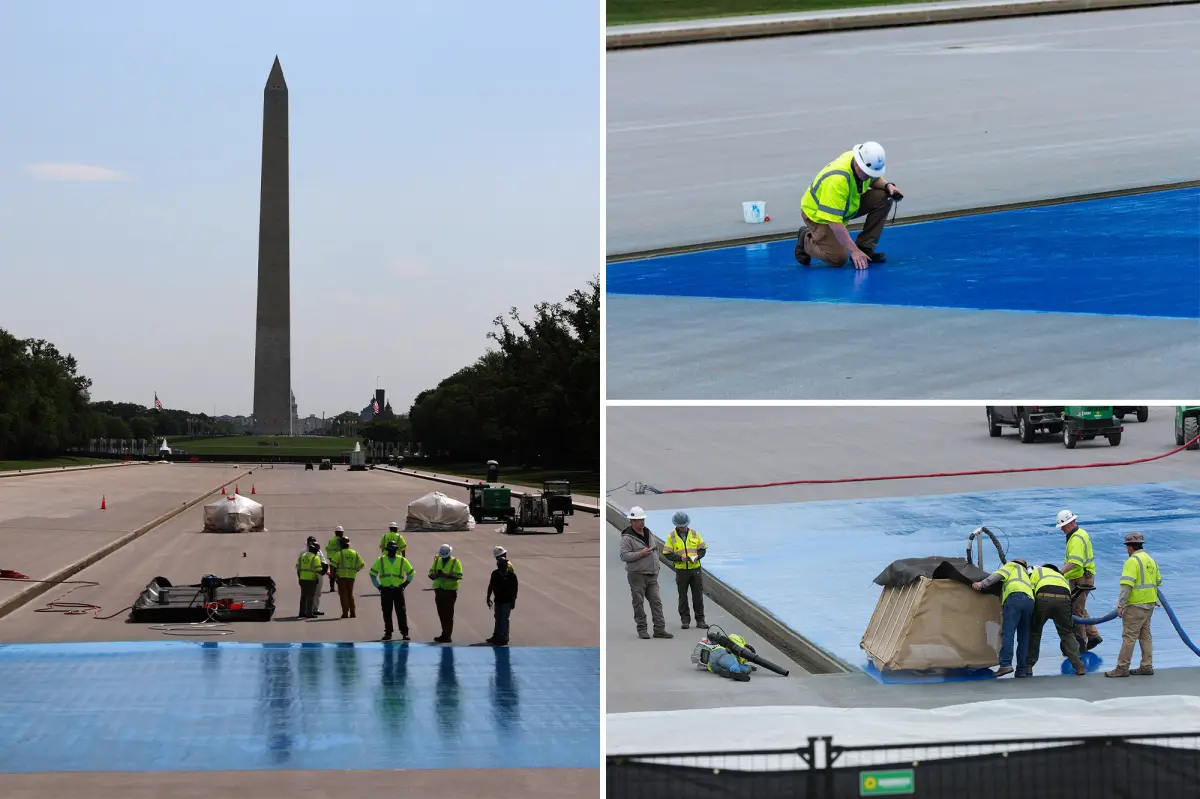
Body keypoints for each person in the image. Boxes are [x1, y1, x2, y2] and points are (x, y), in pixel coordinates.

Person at [794, 142, 904, 270]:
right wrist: (853, 250)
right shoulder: (837, 180)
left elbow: (874, 179)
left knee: (884, 197)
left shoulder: (860, 160)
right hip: (818, 216)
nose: (870, 176)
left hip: (845, 206)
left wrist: (888, 186)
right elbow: (834, 222)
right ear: (858, 165)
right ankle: (806, 238)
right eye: (868, 173)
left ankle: (865, 248)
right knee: (838, 259)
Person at [1106, 532, 1162, 678]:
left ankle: (1122, 668)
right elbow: (1158, 582)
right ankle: (1147, 665)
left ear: (1129, 547)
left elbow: (1127, 585)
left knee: (1129, 636)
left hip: (1135, 606)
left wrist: (1121, 605)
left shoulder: (1132, 561)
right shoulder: (1150, 560)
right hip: (1149, 605)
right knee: (1145, 635)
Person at [973, 557, 1035, 677]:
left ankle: (1005, 665)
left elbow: (996, 576)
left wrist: (981, 584)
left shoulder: (1011, 566)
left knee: (1008, 633)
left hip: (1014, 599)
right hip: (1029, 602)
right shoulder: (1027, 574)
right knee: (1024, 637)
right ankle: (1022, 670)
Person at [619, 506, 672, 640]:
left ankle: (659, 629)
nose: (642, 522)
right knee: (638, 602)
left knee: (656, 602)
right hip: (637, 575)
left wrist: (657, 567)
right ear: (632, 521)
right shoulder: (627, 538)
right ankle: (642, 629)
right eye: (638, 519)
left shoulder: (649, 533)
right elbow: (624, 556)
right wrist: (640, 554)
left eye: (642, 519)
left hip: (652, 574)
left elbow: (656, 551)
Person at [1025, 563, 1085, 677]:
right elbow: (1069, 597)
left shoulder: (1037, 572)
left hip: (1043, 596)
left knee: (1035, 631)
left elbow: (1031, 592)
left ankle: (1028, 666)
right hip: (1064, 598)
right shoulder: (1060, 576)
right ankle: (1079, 666)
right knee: (1067, 633)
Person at [1057, 509, 1102, 651]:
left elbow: (1074, 562)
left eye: (1063, 527)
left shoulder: (1076, 538)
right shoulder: (1080, 533)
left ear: (1069, 524)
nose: (1062, 530)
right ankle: (1093, 636)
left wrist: (1059, 573)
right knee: (1079, 608)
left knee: (1076, 612)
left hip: (1081, 578)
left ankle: (1080, 644)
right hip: (1081, 577)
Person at [662, 511, 708, 630]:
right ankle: (685, 620)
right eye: (680, 526)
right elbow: (667, 553)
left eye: (684, 526)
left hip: (695, 569)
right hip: (681, 570)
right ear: (676, 525)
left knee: (697, 596)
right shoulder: (671, 537)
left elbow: (703, 549)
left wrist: (697, 556)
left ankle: (700, 620)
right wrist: (679, 558)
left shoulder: (695, 534)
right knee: (683, 596)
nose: (683, 528)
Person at [369, 540, 414, 641]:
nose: (392, 551)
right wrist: (378, 586)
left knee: (401, 612)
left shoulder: (402, 560)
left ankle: (404, 633)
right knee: (387, 612)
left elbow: (411, 573)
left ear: (396, 550)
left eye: (393, 550)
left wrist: (405, 584)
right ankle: (388, 633)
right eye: (390, 550)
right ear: (387, 550)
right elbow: (372, 574)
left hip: (398, 589)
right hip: (386, 590)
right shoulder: (380, 560)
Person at [429, 543, 464, 643]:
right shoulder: (437, 560)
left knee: (448, 614)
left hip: (450, 591)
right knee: (441, 613)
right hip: (439, 590)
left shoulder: (455, 562)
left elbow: (459, 576)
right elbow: (430, 574)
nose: (443, 558)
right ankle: (444, 634)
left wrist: (446, 575)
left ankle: (447, 635)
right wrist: (436, 575)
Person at [486, 545, 519, 646]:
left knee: (504, 618)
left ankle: (504, 637)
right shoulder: (495, 574)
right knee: (498, 617)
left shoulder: (510, 573)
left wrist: (513, 600)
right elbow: (491, 585)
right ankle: (497, 635)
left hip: (506, 600)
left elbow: (514, 588)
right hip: (498, 599)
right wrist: (488, 597)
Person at [330, 535, 364, 618]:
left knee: (343, 595)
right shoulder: (355, 553)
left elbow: (333, 566)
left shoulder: (339, 554)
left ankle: (345, 613)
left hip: (341, 577)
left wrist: (333, 576)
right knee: (350, 594)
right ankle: (353, 612)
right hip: (351, 577)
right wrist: (354, 571)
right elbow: (361, 565)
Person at [296, 537, 326, 619]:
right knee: (310, 596)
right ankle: (309, 612)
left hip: (303, 578)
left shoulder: (304, 555)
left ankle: (304, 611)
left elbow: (298, 567)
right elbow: (318, 569)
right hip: (312, 578)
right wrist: (324, 571)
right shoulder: (313, 556)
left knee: (305, 596)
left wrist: (299, 577)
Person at [326, 526, 347, 594]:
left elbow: (327, 548)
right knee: (339, 572)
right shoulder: (340, 540)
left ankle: (332, 587)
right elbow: (343, 547)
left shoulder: (332, 540)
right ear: (337, 533)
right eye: (341, 532)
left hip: (331, 557)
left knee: (332, 573)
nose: (342, 533)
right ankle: (341, 585)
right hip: (337, 557)